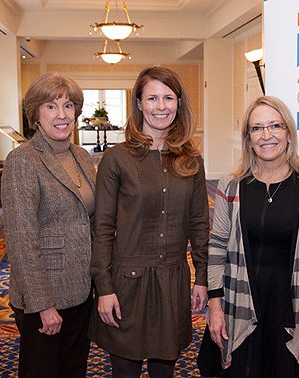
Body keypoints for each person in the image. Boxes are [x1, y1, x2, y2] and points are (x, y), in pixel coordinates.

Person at [89, 66, 210, 378]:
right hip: (125, 285)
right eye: (152, 98)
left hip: (172, 282)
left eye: (168, 98)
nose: (161, 106)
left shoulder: (191, 160)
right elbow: (101, 227)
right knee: (125, 372)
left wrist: (202, 277)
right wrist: (104, 287)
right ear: (139, 104)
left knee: (164, 372)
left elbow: (199, 224)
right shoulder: (117, 159)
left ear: (179, 104)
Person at [205, 96, 299, 377]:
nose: (266, 135)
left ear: (288, 133)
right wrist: (215, 306)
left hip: (289, 306)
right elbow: (217, 246)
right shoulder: (232, 184)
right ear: (248, 138)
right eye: (257, 128)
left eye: (275, 125)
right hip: (239, 304)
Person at [1, 72, 96, 378]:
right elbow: (21, 239)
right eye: (51, 107)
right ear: (35, 114)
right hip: (44, 296)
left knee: (74, 369)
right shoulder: (23, 160)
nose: (62, 115)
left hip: (82, 289)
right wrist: (43, 305)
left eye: (68, 106)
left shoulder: (81, 155)